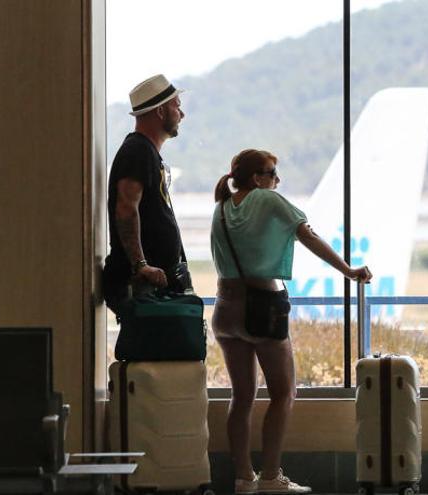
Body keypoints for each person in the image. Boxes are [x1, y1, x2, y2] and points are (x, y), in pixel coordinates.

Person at [210, 149, 373, 494]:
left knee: (242, 397)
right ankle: (270, 477)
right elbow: (308, 236)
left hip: (225, 309)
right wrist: (348, 271)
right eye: (272, 173)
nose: (277, 180)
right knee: (284, 392)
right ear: (258, 178)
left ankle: (242, 478)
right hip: (263, 308)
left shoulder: (221, 208)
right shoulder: (269, 200)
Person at [103, 74, 189, 311]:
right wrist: (141, 265)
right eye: (177, 107)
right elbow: (126, 208)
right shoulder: (138, 151)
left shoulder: (145, 152)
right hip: (144, 286)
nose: (181, 115)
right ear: (160, 112)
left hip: (152, 284)